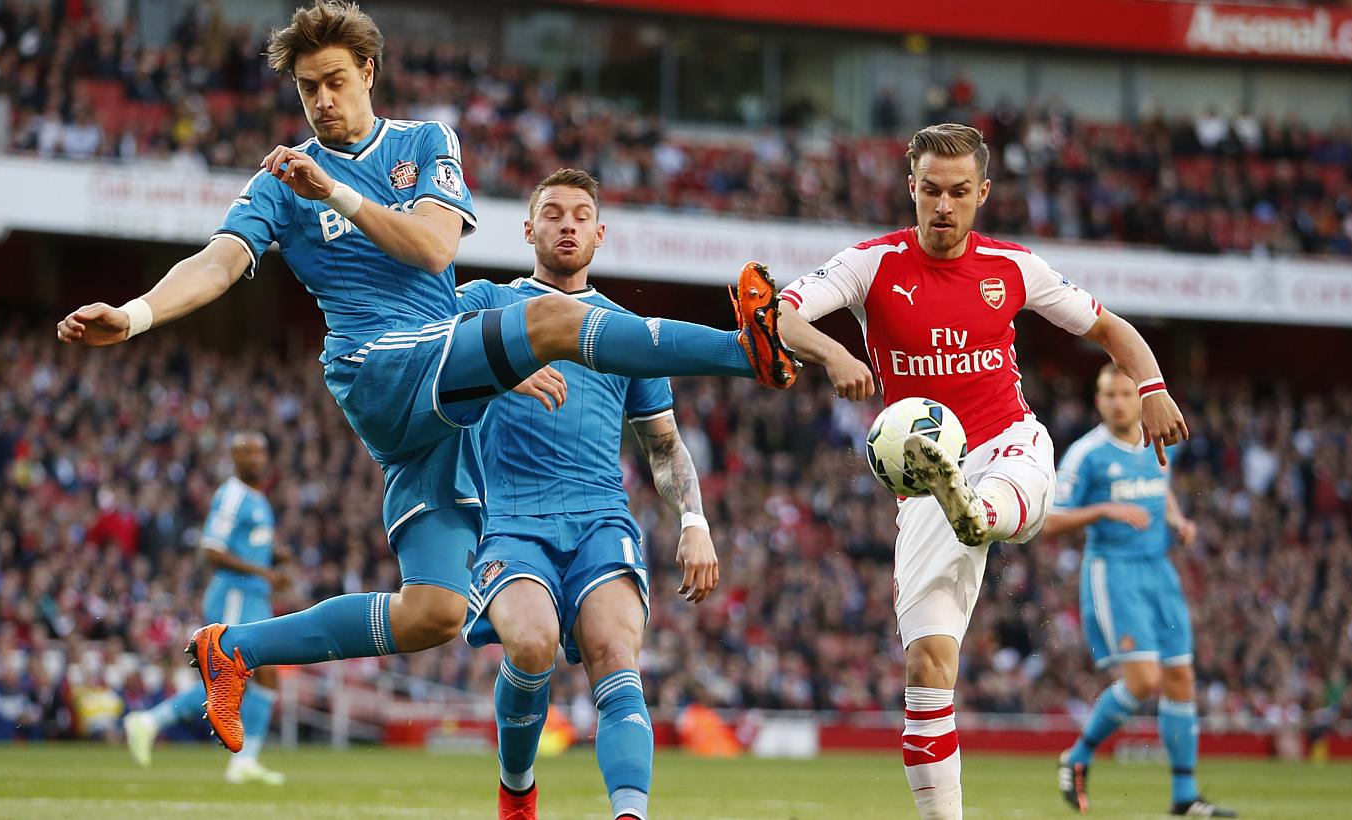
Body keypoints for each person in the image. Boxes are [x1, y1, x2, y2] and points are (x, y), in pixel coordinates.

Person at [54, 0, 796, 754]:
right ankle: (748, 351)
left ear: (368, 72)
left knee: (433, 613)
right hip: (377, 368)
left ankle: (235, 649)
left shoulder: (423, 143)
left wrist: (344, 200)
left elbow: (436, 248)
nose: (321, 101)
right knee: (554, 325)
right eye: (307, 88)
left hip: (439, 397)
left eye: (335, 81)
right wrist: (138, 314)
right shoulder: (283, 180)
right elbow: (219, 261)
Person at [772, 123, 1188, 820]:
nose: (943, 205)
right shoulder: (871, 265)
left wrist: (1153, 389)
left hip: (1008, 448)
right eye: (930, 190)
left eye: (959, 192)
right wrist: (833, 354)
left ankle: (980, 511)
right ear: (911, 188)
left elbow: (1111, 328)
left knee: (996, 496)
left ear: (982, 193)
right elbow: (782, 314)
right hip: (927, 484)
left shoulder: (1015, 267)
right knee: (926, 668)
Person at [456, 168, 717, 820]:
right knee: (533, 643)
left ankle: (630, 814)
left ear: (599, 234)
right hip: (511, 518)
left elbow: (663, 445)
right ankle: (517, 790)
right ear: (528, 229)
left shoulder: (624, 330)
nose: (566, 224)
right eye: (553, 213)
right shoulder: (487, 303)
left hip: (602, 518)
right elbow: (422, 344)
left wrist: (695, 521)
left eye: (580, 215)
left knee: (615, 655)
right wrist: (499, 364)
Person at [1045, 364, 1235, 817]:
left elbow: (1159, 487)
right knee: (1144, 680)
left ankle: (1185, 798)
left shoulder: (1154, 439)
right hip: (1115, 572)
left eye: (1126, 394)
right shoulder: (1085, 454)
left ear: (1139, 397)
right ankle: (1077, 756)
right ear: (1098, 400)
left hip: (1159, 570)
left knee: (1180, 679)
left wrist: (1177, 520)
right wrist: (1104, 509)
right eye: (1109, 395)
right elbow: (1049, 521)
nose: (1118, 402)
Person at [122, 431, 291, 785]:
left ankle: (245, 760)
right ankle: (150, 721)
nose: (256, 459)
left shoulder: (258, 498)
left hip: (255, 596)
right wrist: (264, 570)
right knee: (227, 678)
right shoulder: (231, 495)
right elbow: (211, 550)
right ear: (234, 458)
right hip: (234, 595)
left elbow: (247, 544)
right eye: (247, 453)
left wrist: (274, 556)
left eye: (261, 452)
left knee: (269, 673)